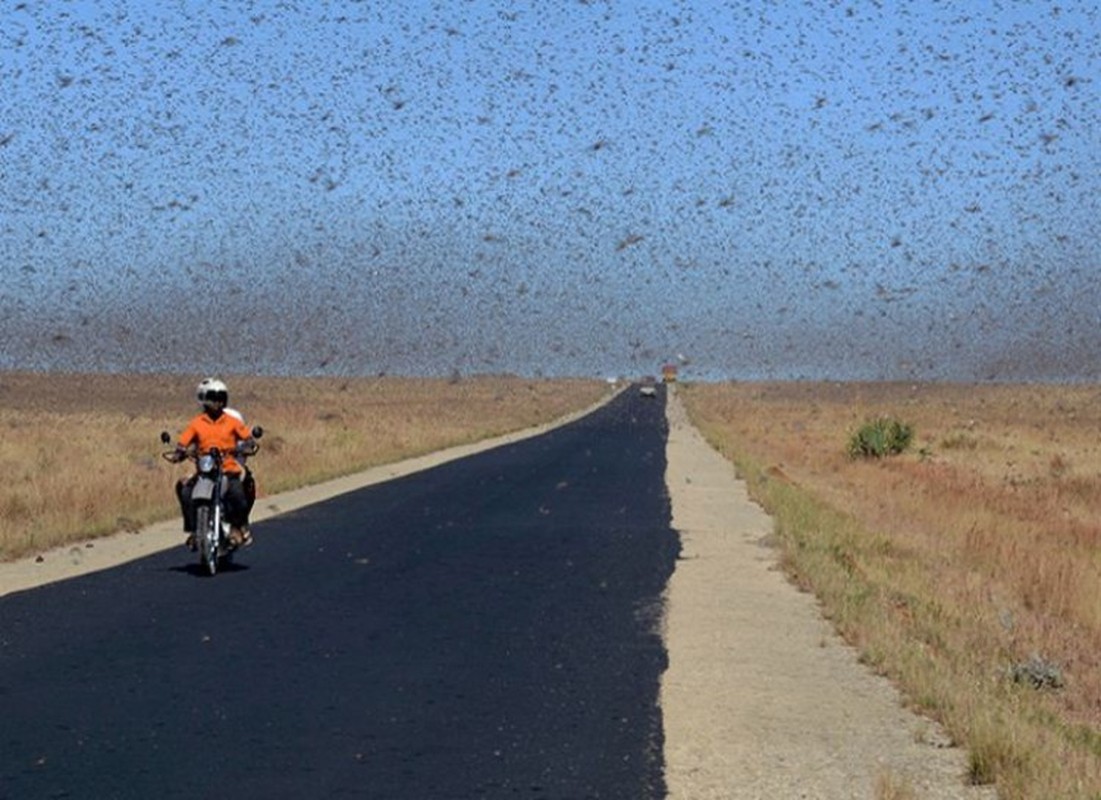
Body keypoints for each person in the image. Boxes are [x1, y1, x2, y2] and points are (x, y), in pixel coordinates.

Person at [169, 378, 258, 549]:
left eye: (221, 397)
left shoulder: (232, 422)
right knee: (186, 491)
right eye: (213, 397)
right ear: (204, 399)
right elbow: (184, 441)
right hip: (205, 470)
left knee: (238, 495)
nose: (217, 402)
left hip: (227, 469)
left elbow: (247, 437)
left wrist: (248, 445)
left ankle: (237, 527)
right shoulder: (197, 423)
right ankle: (194, 531)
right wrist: (179, 451)